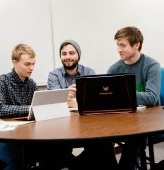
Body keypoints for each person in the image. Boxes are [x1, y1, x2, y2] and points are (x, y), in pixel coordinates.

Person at [47, 40, 118, 170]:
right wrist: (67, 97)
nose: (67, 57)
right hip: (62, 126)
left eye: (71, 53)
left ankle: (75, 165)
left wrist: (69, 100)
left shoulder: (89, 72)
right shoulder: (54, 75)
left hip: (88, 124)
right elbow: (55, 102)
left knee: (104, 143)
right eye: (64, 54)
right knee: (53, 147)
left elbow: (95, 101)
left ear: (78, 55)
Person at [107, 26, 161, 170]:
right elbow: (110, 100)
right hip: (122, 119)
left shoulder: (152, 65)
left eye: (123, 45)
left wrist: (120, 95)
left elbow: (151, 98)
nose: (119, 49)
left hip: (147, 121)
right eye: (117, 45)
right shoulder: (113, 70)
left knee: (134, 138)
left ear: (136, 44)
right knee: (100, 140)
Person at [0, 43, 37, 170]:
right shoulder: (1, 82)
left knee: (50, 150)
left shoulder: (32, 84)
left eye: (34, 63)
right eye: (27, 64)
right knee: (13, 157)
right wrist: (28, 109)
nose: (32, 68)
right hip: (3, 136)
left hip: (26, 134)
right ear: (14, 62)